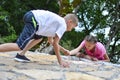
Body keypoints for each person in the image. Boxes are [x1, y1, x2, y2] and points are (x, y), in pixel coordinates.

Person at [0, 10, 78, 67]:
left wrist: (63, 50)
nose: (71, 30)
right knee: (19, 46)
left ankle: (21, 55)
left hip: (32, 17)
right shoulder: (63, 25)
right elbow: (55, 44)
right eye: (72, 27)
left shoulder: (56, 22)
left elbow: (51, 41)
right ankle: (20, 52)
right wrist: (60, 61)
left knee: (38, 38)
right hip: (34, 19)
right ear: (69, 22)